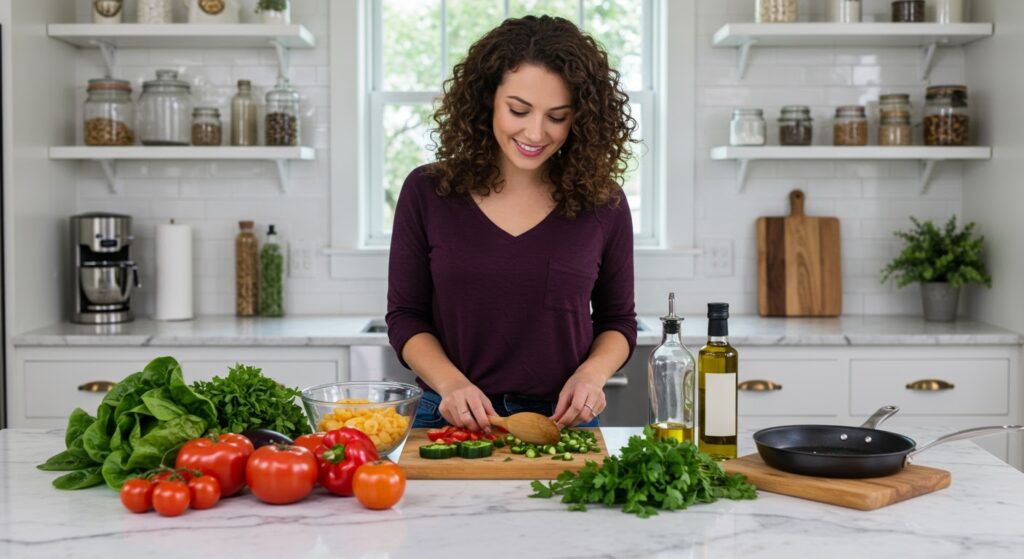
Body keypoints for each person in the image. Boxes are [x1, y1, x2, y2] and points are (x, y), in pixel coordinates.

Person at [386, 15, 638, 433]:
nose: (536, 132)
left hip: (562, 422)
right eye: (518, 110)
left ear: (580, 119)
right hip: (448, 416)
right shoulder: (428, 191)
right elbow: (406, 317)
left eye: (557, 116)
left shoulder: (603, 202)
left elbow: (617, 321)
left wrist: (591, 375)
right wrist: (451, 384)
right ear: (487, 99)